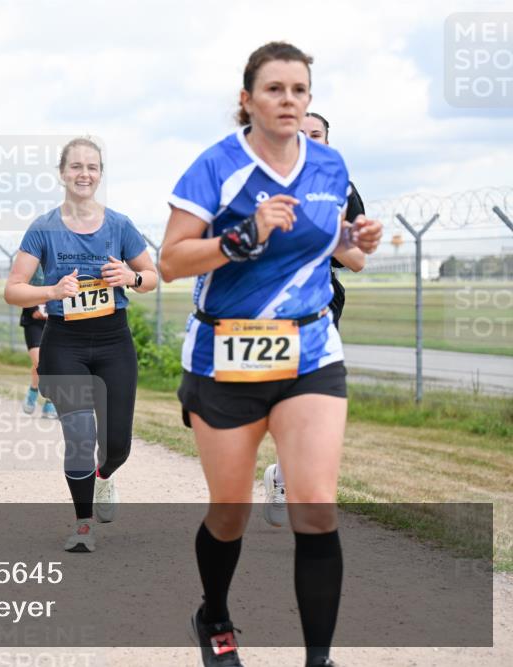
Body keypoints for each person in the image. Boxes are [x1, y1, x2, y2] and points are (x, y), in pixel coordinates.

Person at [158, 42, 382, 667]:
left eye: (299, 90)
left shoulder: (330, 166)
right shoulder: (216, 166)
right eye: (275, 89)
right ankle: (215, 615)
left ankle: (319, 659)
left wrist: (353, 236)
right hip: (226, 356)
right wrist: (243, 236)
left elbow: (329, 243)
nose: (288, 100)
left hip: (310, 349)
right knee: (230, 512)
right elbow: (172, 261)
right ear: (247, 99)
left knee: (314, 503)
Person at [4, 137, 158, 553]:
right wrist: (51, 290)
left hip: (114, 340)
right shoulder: (43, 228)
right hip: (64, 343)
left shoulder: (120, 225)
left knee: (116, 446)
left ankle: (104, 476)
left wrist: (131, 278)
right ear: (62, 173)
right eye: (76, 167)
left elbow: (152, 276)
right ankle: (83, 523)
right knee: (79, 429)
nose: (84, 174)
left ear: (100, 174)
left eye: (92, 167)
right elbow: (13, 290)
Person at [263, 112, 368, 528]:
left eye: (316, 134)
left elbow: (357, 260)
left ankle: (288, 478)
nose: (306, 139)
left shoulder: (342, 188)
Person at [20, 267, 57, 419]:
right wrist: (33, 308)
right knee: (39, 362)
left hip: (55, 321)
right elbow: (21, 288)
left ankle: (50, 402)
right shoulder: (32, 264)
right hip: (34, 322)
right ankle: (33, 391)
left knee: (54, 362)